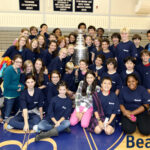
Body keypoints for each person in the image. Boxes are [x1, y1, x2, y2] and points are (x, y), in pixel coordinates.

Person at [3, 54, 24, 120]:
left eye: (20, 62)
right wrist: (18, 88)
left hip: (16, 94)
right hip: (9, 95)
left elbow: (17, 83)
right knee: (7, 115)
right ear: (13, 61)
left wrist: (22, 86)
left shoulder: (18, 70)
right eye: (17, 62)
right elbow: (5, 86)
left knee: (17, 113)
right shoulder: (8, 70)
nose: (19, 63)